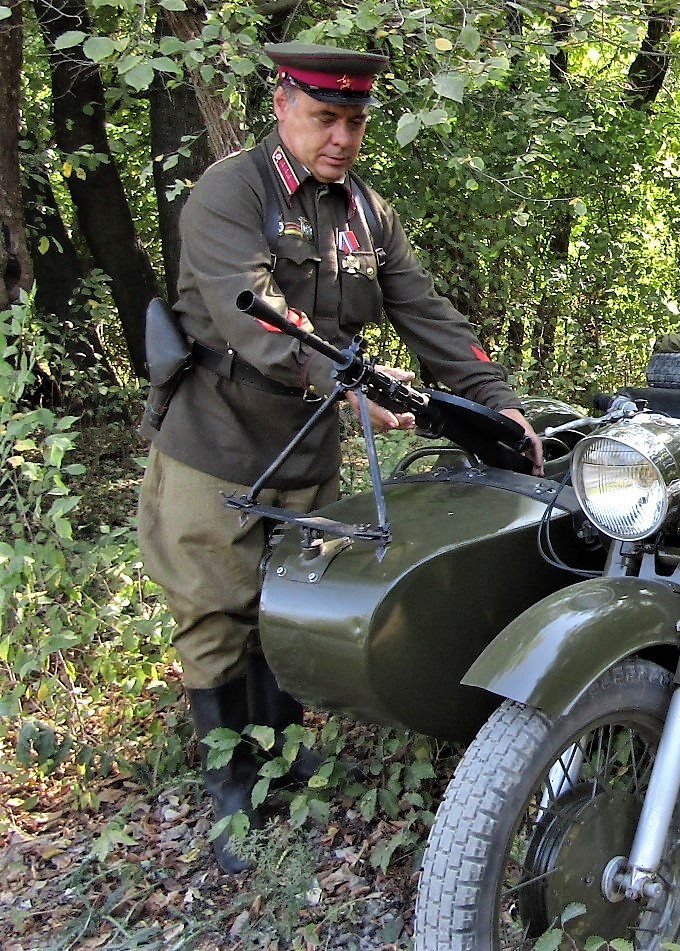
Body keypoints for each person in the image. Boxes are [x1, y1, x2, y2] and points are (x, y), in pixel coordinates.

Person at [137, 41, 544, 873]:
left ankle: (284, 754)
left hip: (307, 446)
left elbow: (424, 310)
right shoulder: (231, 191)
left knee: (288, 601)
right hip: (216, 440)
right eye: (324, 117)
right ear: (282, 105)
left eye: (354, 122)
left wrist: (496, 397)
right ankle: (232, 785)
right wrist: (351, 383)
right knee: (215, 611)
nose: (341, 138)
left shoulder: (366, 213)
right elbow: (254, 314)